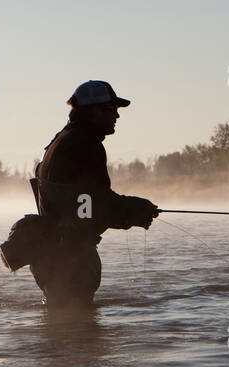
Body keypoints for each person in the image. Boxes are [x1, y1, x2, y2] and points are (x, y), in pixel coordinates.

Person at [27, 80, 159, 306]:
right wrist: (137, 210)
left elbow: (85, 201)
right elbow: (93, 204)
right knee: (79, 327)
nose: (116, 116)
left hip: (50, 255)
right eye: (111, 110)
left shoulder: (61, 140)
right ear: (93, 111)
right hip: (71, 258)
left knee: (63, 326)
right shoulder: (85, 144)